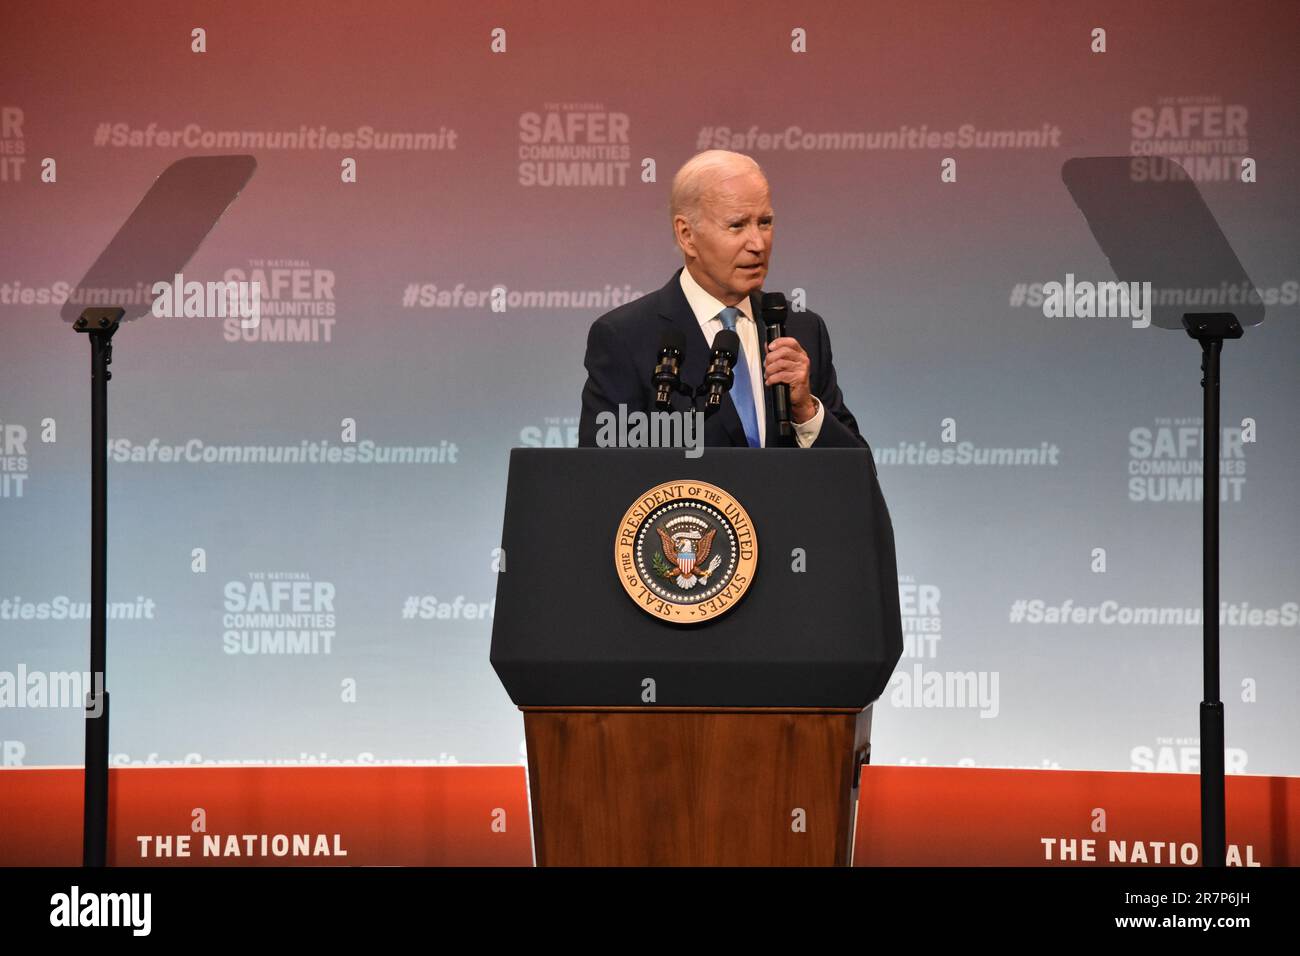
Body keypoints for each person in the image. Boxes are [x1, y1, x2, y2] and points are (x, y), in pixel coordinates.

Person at [578, 149, 868, 449]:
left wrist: (806, 411)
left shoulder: (802, 329)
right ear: (687, 235)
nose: (757, 244)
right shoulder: (626, 337)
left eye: (765, 223)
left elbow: (856, 475)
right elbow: (603, 477)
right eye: (737, 225)